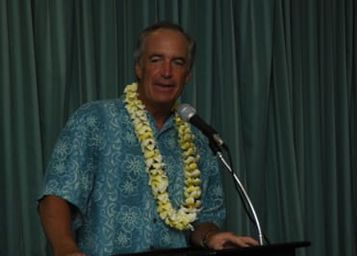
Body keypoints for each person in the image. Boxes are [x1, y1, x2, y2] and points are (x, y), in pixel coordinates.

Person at [38, 21, 258, 256]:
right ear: (139, 68)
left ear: (188, 75)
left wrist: (211, 236)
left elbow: (203, 220)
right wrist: (65, 249)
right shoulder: (94, 120)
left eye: (178, 62)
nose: (166, 72)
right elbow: (57, 195)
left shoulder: (199, 140)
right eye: (156, 60)